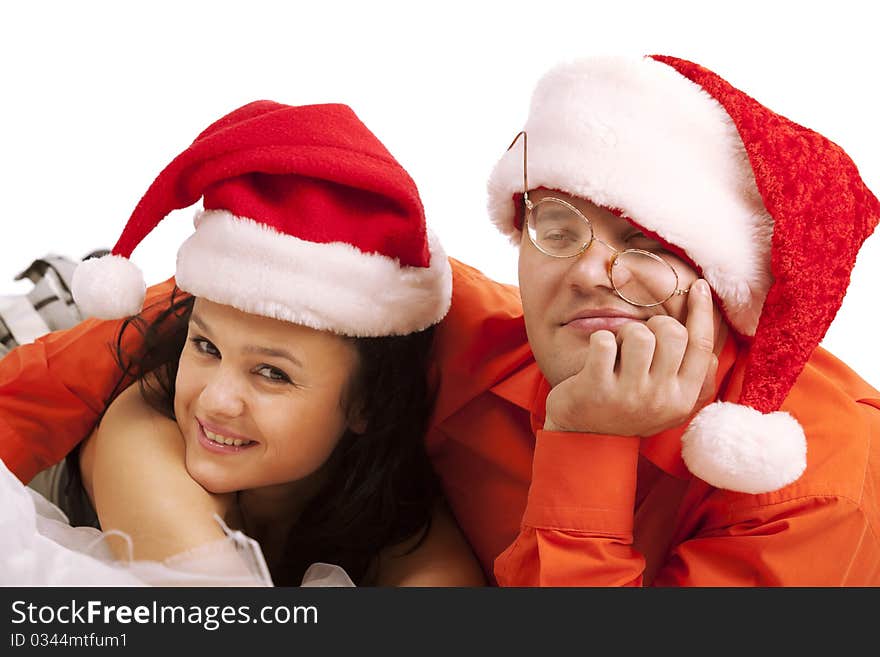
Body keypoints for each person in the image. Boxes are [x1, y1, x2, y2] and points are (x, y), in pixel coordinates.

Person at [2, 55, 879, 585]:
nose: (588, 271)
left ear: (725, 281)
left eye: (648, 242)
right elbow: (206, 314)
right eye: (558, 227)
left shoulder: (813, 490)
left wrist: (590, 442)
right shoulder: (465, 323)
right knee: (139, 417)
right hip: (296, 516)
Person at [0, 99, 485, 587]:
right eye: (207, 347)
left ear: (367, 403)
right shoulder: (146, 430)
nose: (215, 400)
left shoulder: (393, 497)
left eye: (272, 373)